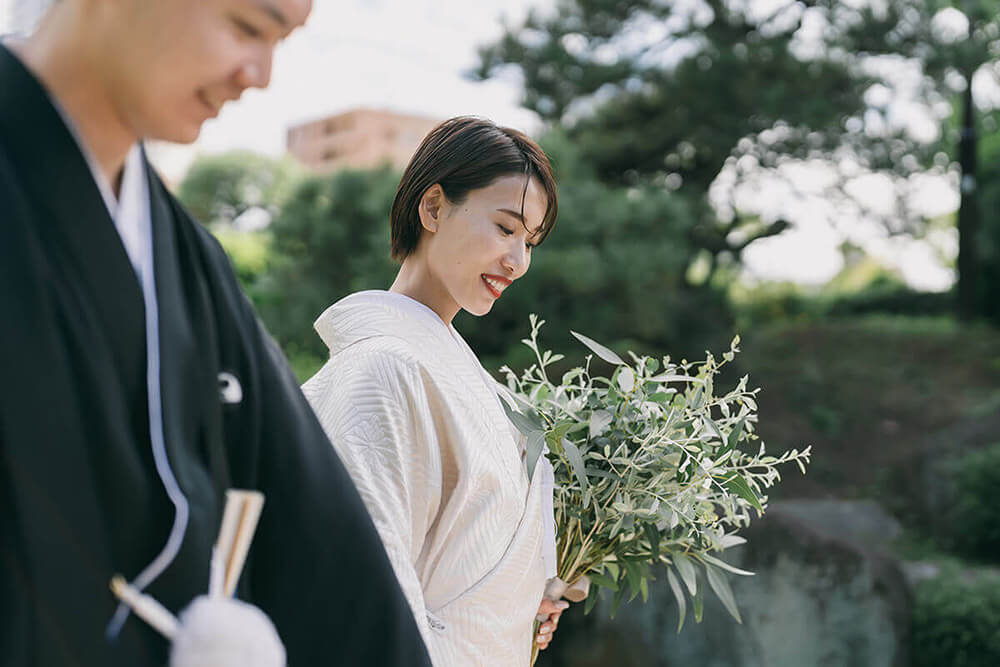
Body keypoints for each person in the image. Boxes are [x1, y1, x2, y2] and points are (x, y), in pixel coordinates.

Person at [0, 1, 431, 665]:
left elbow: (323, 543)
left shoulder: (189, 263)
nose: (259, 74)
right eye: (248, 26)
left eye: (281, 39)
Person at [302, 116, 568, 666]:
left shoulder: (477, 388)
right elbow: (366, 588)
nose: (517, 262)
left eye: (529, 241)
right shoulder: (382, 368)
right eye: (504, 227)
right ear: (433, 208)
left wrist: (528, 593)